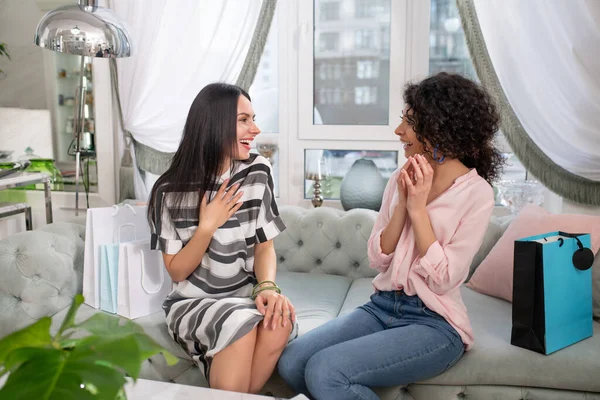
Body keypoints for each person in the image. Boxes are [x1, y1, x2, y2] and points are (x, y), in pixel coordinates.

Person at [277, 72, 504, 400]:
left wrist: (418, 209)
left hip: (436, 323)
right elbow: (378, 258)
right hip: (383, 306)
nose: (399, 131)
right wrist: (402, 202)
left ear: (440, 127)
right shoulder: (402, 175)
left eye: (410, 122)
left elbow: (444, 280)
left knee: (326, 371)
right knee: (292, 362)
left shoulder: (477, 194)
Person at [148, 83, 298, 394]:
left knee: (280, 320)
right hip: (193, 302)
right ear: (215, 124)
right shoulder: (168, 190)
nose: (255, 129)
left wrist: (267, 286)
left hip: (243, 296)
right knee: (239, 323)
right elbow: (176, 271)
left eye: (253, 118)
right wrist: (207, 227)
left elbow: (265, 247)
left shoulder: (257, 170)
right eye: (244, 120)